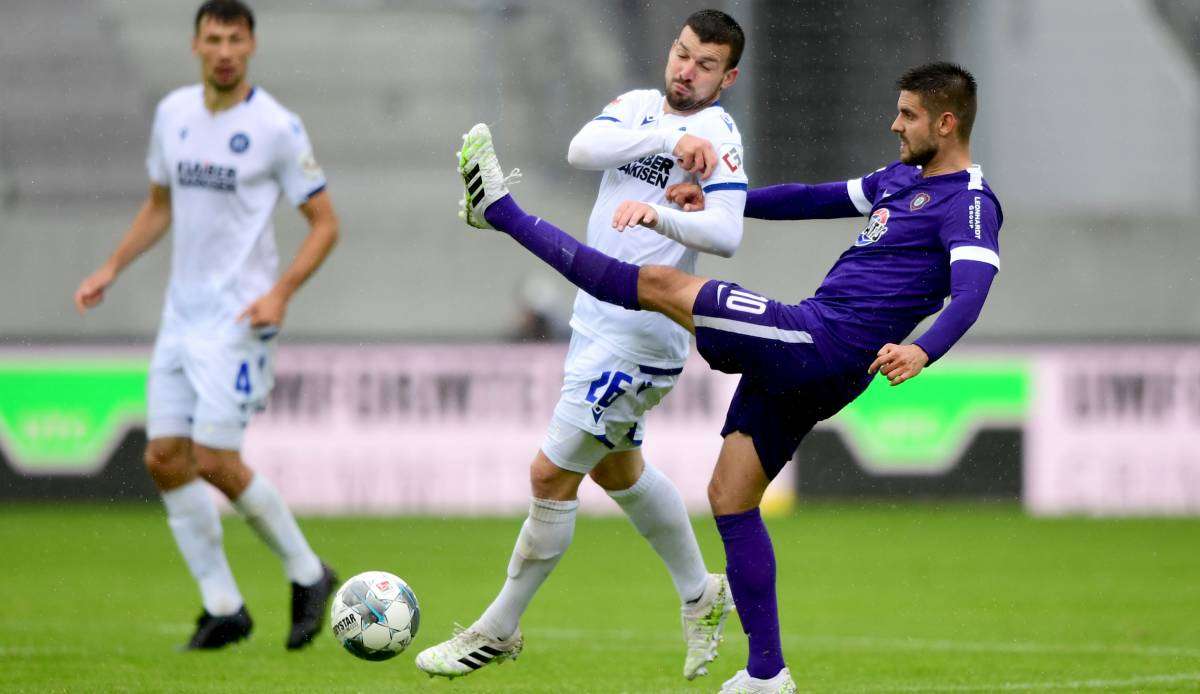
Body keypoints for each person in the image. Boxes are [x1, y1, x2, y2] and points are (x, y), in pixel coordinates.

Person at [456, 62, 1001, 693]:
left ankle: (501, 211)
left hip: (819, 341)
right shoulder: (901, 178)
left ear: (946, 121)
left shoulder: (970, 203)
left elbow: (971, 292)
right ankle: (767, 675)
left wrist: (923, 351)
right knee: (730, 496)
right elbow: (809, 198)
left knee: (657, 283)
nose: (894, 124)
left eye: (907, 114)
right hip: (819, 355)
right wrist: (718, 198)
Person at [416, 9, 748, 682]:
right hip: (595, 319)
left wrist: (663, 210)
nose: (687, 70)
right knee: (616, 470)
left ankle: (499, 628)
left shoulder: (720, 133)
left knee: (548, 476)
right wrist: (663, 133)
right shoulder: (636, 108)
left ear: (728, 77)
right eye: (683, 54)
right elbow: (580, 152)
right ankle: (700, 591)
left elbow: (727, 233)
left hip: (643, 334)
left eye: (705, 65)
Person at [73, 0, 340, 651]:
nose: (224, 50)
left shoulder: (278, 127)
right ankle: (224, 606)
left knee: (216, 459)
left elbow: (325, 223)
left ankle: (308, 573)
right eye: (213, 38)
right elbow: (160, 204)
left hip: (240, 320)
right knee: (165, 459)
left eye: (235, 39)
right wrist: (112, 265)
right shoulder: (174, 115)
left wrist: (280, 293)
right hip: (180, 319)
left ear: (251, 47)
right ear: (195, 45)